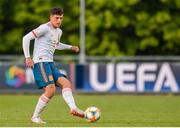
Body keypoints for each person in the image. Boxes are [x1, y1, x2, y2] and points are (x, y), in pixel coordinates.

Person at [22, 7, 84, 124]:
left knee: (66, 83)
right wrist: (27, 57)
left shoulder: (58, 31)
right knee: (51, 90)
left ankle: (73, 108)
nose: (59, 20)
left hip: (50, 62)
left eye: (61, 18)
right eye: (56, 18)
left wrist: (70, 47)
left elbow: (56, 44)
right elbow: (26, 38)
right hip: (40, 62)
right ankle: (35, 117)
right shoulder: (44, 28)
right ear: (51, 17)